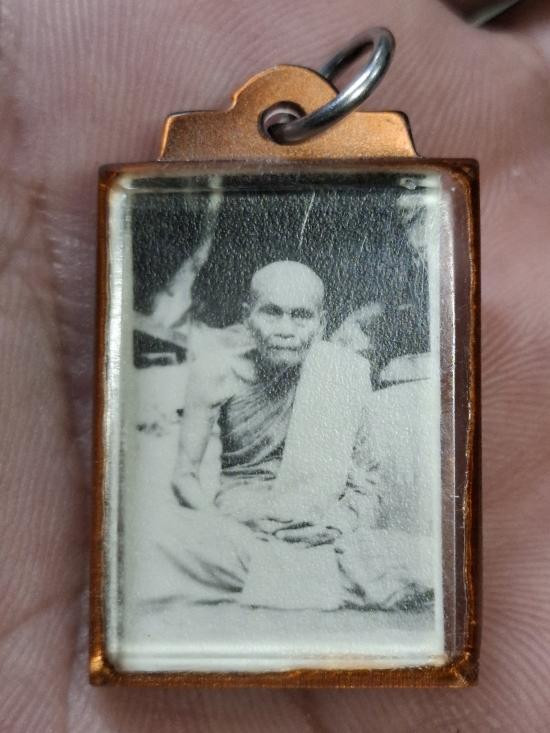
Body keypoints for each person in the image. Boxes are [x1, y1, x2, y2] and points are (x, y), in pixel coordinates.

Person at [140, 260, 433, 611]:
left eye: (301, 316)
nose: (285, 329)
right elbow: (184, 477)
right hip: (239, 530)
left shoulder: (347, 373)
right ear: (247, 316)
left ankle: (271, 579)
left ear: (321, 324)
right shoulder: (215, 371)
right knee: (153, 535)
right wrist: (226, 523)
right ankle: (317, 581)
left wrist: (335, 526)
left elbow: (368, 485)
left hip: (319, 534)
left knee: (425, 556)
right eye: (272, 313)